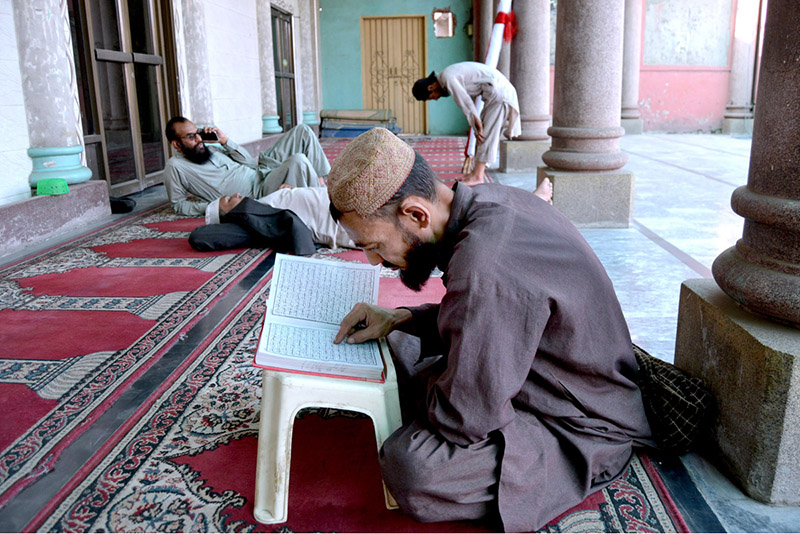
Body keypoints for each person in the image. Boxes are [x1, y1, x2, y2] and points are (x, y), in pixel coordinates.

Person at [325, 128, 654, 532]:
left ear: (415, 214)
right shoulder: (492, 199)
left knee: (412, 468)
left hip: (581, 419)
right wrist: (402, 318)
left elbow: (465, 417)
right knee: (397, 336)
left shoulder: (485, 263)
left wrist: (435, 387)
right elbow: (478, 316)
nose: (375, 261)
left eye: (375, 244)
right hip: (537, 365)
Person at [164, 117, 329, 216]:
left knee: (303, 131)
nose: (199, 139)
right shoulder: (176, 166)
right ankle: (323, 203)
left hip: (262, 170)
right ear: (177, 144)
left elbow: (250, 163)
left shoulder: (208, 148)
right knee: (298, 160)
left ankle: (321, 185)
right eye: (191, 136)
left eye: (198, 133)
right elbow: (179, 205)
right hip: (259, 191)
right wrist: (216, 206)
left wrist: (225, 141)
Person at [413, 61, 520, 186]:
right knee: (483, 133)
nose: (436, 99)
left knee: (486, 135)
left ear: (430, 87)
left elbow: (465, 102)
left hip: (499, 93)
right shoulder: (446, 76)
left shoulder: (447, 78)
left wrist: (476, 125)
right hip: (495, 93)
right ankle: (475, 173)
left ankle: (478, 176)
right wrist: (476, 125)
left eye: (432, 97)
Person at [188, 187, 355, 252]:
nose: (237, 194)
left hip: (336, 199)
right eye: (228, 200)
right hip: (342, 215)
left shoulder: (259, 207)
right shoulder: (252, 217)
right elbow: (200, 237)